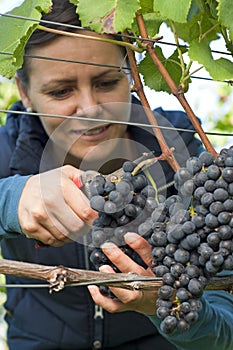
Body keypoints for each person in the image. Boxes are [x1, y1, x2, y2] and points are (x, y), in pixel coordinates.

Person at [1, 1, 231, 349]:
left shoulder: (182, 153)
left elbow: (224, 332)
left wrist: (170, 306)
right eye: (61, 91)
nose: (91, 109)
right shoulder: (6, 150)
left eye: (107, 82)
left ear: (131, 74)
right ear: (24, 92)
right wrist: (11, 199)